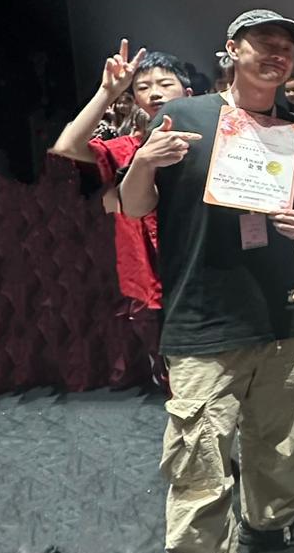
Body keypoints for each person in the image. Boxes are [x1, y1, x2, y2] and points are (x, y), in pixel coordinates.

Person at [119, 9, 294, 553]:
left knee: (280, 439)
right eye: (263, 44)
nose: (276, 55)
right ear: (231, 50)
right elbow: (134, 206)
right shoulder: (184, 115)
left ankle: (273, 520)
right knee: (200, 464)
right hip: (204, 320)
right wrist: (143, 161)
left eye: (285, 49)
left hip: (280, 312)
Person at [50, 41, 194, 386]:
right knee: (173, 378)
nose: (154, 93)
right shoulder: (129, 147)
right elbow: (66, 146)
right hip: (152, 278)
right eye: (143, 87)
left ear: (188, 93)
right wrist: (107, 92)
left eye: (165, 83)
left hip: (200, 273)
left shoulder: (209, 142)